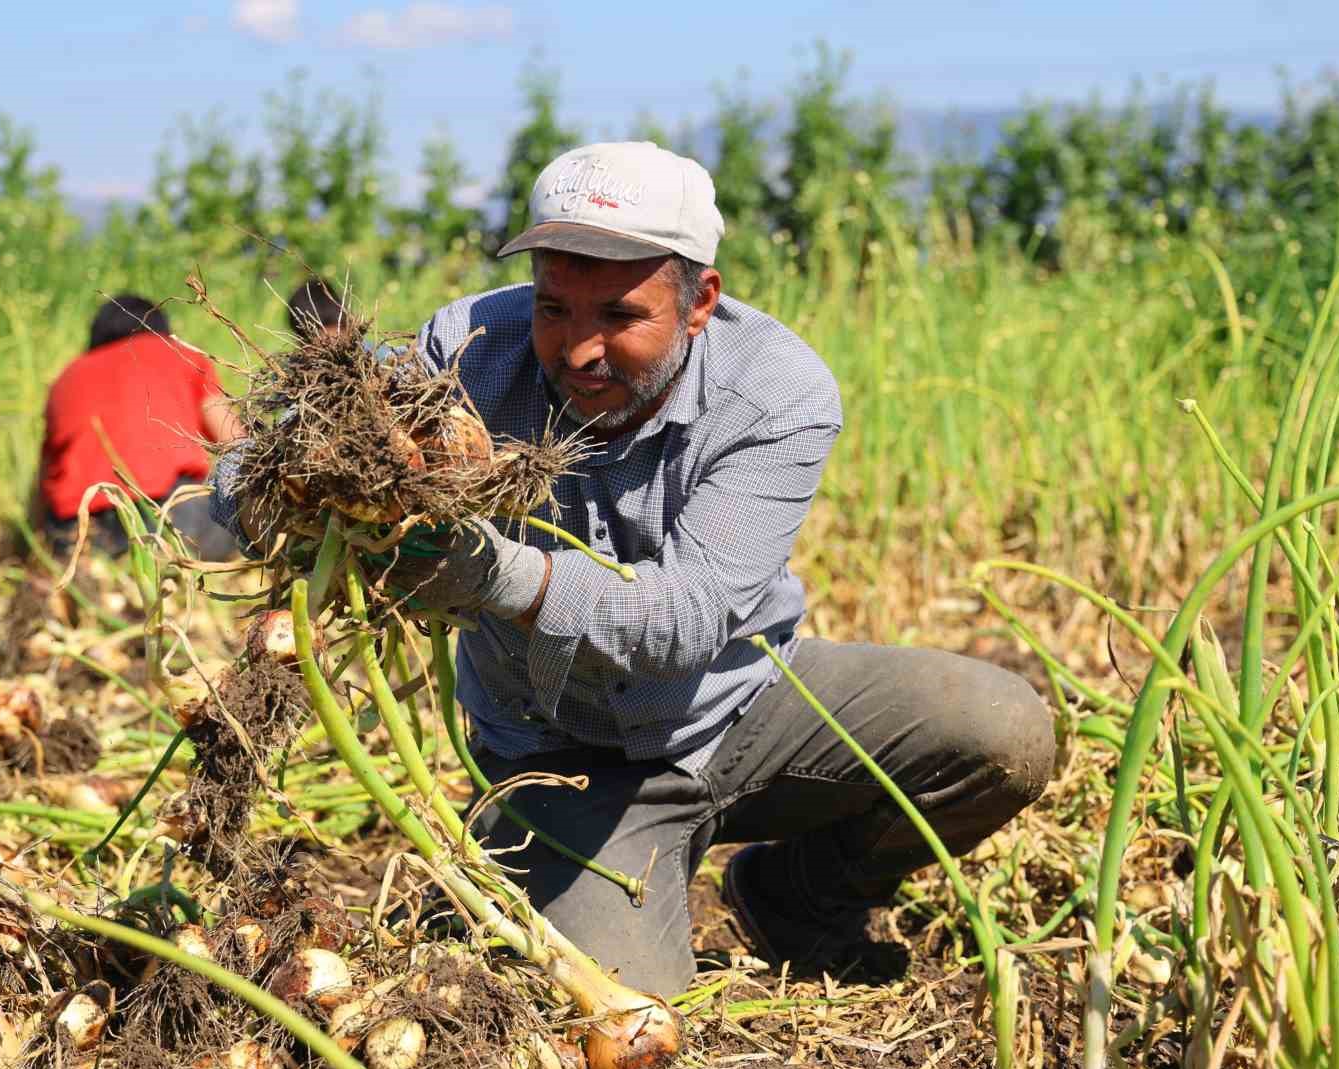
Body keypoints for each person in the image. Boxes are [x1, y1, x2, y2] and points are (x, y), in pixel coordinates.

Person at [212, 142, 1055, 996]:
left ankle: (796, 894)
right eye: (553, 308)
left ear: (700, 303)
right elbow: (280, 459)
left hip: (740, 706)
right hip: (561, 757)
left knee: (999, 731)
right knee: (625, 1013)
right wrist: (279, 485)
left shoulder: (775, 392)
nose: (578, 349)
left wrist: (502, 577)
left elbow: (684, 621)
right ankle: (537, 856)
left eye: (619, 315)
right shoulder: (464, 350)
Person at [35, 294, 244, 560]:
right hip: (169, 516)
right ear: (160, 327)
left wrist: (34, 549)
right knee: (238, 521)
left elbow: (45, 478)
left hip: (78, 531)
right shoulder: (180, 354)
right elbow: (237, 445)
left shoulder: (66, 377)